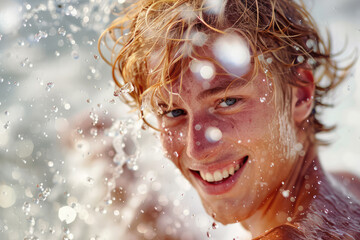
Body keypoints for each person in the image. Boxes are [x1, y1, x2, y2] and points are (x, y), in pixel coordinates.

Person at [99, 0, 360, 238]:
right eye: (173, 112)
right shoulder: (348, 189)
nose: (197, 149)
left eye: (227, 101)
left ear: (301, 95)